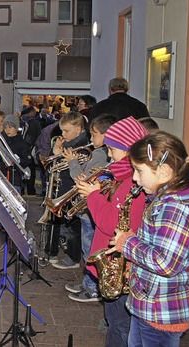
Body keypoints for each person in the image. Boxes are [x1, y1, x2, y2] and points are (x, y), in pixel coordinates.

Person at [108, 131, 189, 346]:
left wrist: (127, 243)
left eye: (139, 171)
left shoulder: (175, 207)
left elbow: (165, 262)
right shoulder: (170, 197)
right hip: (152, 302)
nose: (135, 178)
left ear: (164, 171)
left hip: (161, 309)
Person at [75, 117, 148, 346]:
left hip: (121, 265)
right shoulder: (124, 177)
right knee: (115, 321)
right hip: (115, 260)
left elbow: (109, 223)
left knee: (119, 325)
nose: (109, 155)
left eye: (112, 150)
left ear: (129, 149)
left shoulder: (132, 184)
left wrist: (94, 195)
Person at [62, 114, 115, 303]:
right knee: (88, 248)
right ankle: (87, 282)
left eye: (94, 135)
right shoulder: (99, 153)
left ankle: (92, 287)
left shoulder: (102, 155)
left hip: (92, 210)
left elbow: (80, 179)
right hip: (89, 210)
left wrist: (72, 162)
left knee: (91, 249)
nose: (91, 140)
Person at [46, 111, 89, 268]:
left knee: (73, 226)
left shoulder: (83, 146)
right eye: (62, 130)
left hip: (72, 190)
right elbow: (51, 166)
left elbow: (79, 170)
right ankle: (51, 251)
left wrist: (64, 157)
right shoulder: (67, 143)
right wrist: (55, 153)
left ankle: (73, 257)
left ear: (78, 130)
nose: (62, 134)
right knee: (60, 223)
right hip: (61, 188)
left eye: (66, 131)